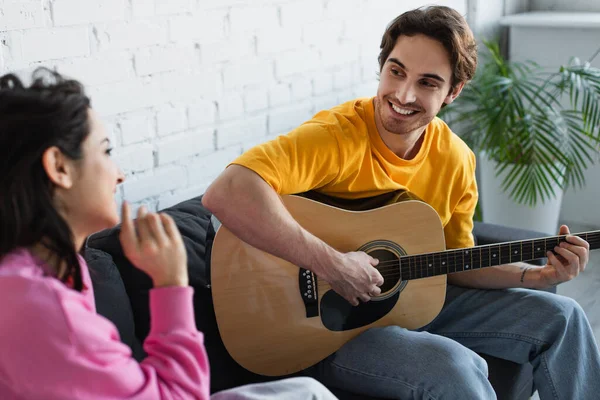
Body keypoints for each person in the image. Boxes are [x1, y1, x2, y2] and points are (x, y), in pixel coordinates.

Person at [202, 5, 600, 399]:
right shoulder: (335, 136)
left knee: (564, 318)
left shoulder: (456, 159)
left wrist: (535, 276)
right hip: (320, 329)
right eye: (396, 71)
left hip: (413, 305)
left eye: (428, 82)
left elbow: (455, 259)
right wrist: (334, 264)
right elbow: (226, 192)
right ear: (382, 66)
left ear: (453, 92)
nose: (404, 94)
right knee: (455, 367)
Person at [0, 69, 337, 400]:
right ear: (59, 167)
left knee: (305, 391)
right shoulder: (48, 312)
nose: (119, 174)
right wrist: (170, 283)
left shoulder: (48, 268)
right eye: (105, 151)